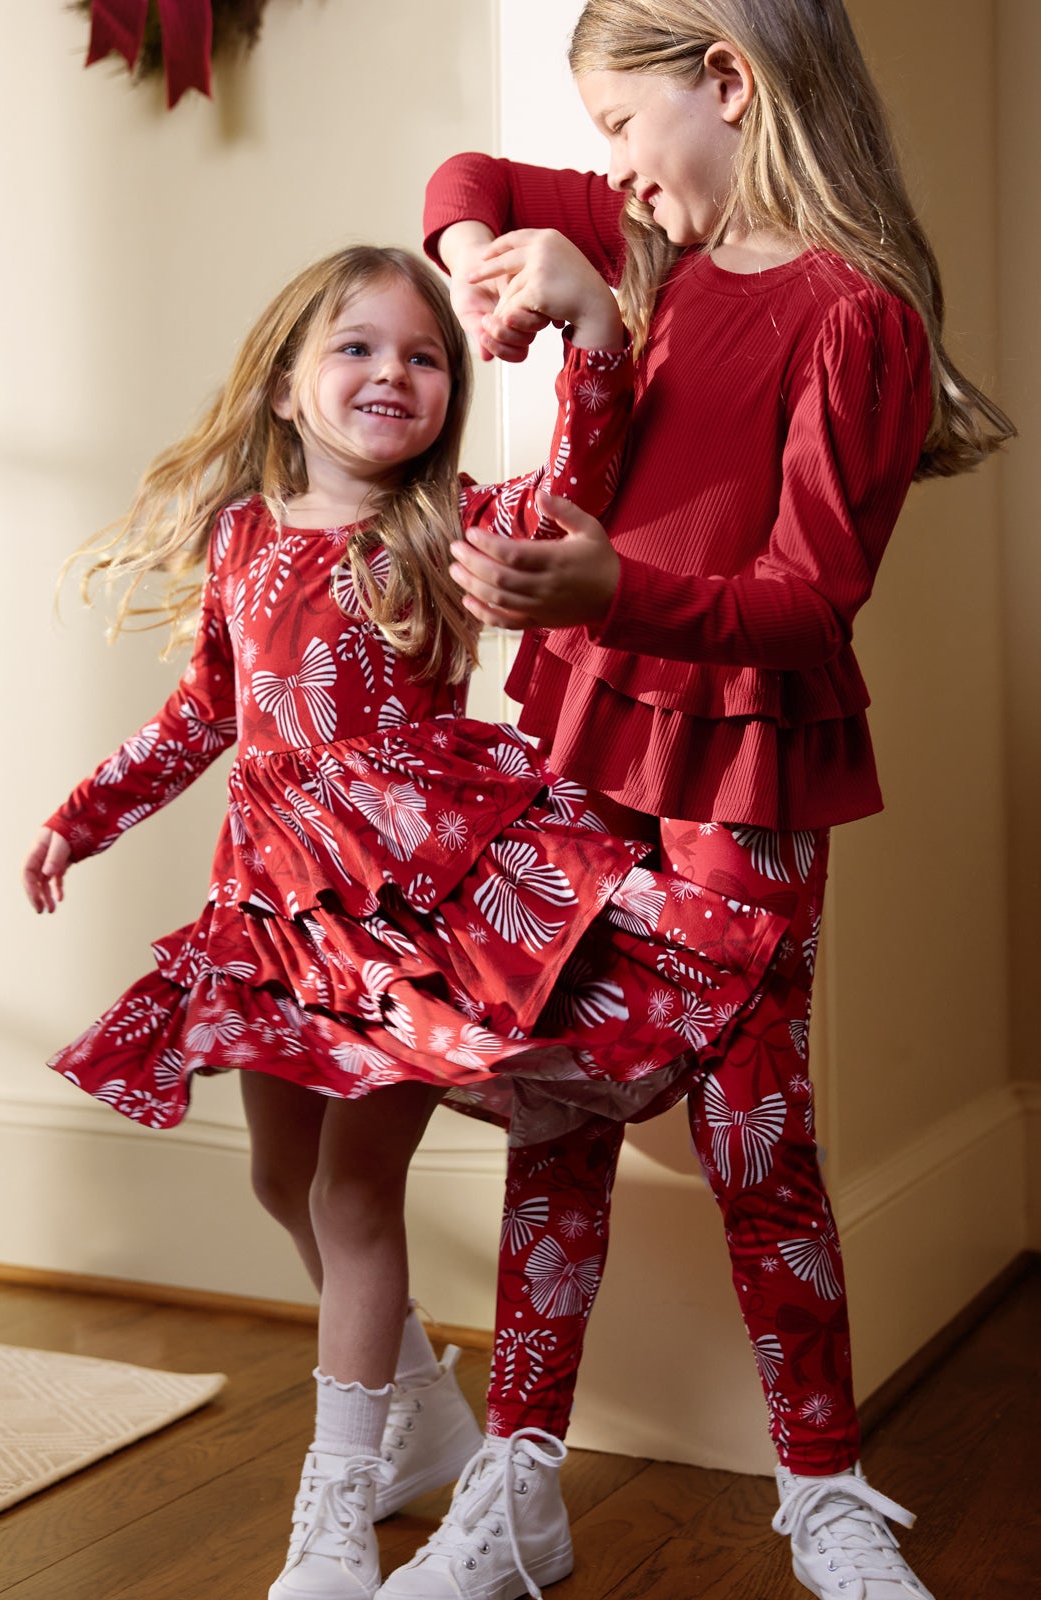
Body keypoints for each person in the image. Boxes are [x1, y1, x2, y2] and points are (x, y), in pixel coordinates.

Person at [23, 242, 783, 1600]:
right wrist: (83, 818)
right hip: (275, 905)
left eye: (425, 355)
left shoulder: (450, 530)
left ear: (451, 391)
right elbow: (204, 713)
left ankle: (330, 1512)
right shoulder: (241, 538)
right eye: (358, 348)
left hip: (411, 913)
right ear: (284, 387)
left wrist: (595, 342)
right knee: (281, 1179)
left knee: (351, 1189)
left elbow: (581, 482)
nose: (394, 373)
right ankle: (424, 1414)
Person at [387, 3, 1016, 1599]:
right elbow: (466, 176)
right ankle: (518, 1482)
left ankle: (825, 1495)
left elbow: (811, 600)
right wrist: (485, 262)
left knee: (757, 1133)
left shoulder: (856, 313)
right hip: (588, 728)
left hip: (743, 751)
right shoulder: (653, 235)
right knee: (555, 1102)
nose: (604, 167)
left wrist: (617, 583)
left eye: (618, 125)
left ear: (727, 83)